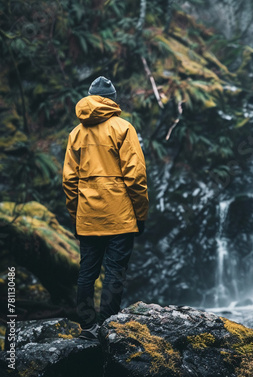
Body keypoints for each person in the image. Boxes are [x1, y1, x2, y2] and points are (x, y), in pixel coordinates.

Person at [62, 76, 149, 340]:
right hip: (120, 215)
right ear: (112, 98)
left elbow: (69, 181)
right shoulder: (123, 128)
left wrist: (77, 215)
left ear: (89, 97)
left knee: (87, 271)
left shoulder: (76, 133)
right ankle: (109, 325)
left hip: (88, 216)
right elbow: (136, 177)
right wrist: (140, 214)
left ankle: (87, 327)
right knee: (115, 271)